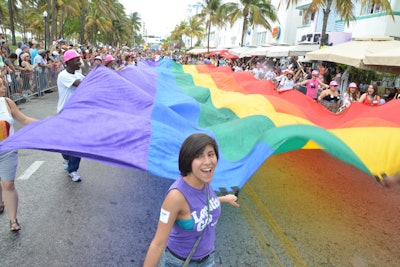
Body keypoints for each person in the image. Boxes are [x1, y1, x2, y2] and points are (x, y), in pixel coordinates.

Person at [144, 133, 240, 267]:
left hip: (207, 260)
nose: (207, 161)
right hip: (179, 262)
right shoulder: (175, 196)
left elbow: (201, 204)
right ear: (188, 160)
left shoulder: (204, 180)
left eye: (211, 154)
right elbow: (158, 244)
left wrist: (224, 198)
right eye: (199, 156)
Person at [0, 77, 37, 231]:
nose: (3, 86)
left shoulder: (7, 102)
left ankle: (13, 220)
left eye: (2, 83)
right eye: (0, 84)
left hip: (7, 150)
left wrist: (46, 124)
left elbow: (24, 119)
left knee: (8, 184)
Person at [57, 49, 85, 182]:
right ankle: (67, 159)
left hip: (78, 114)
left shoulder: (79, 74)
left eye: (79, 59)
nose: (79, 62)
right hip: (64, 113)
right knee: (65, 144)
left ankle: (73, 169)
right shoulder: (63, 75)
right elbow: (81, 85)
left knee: (77, 144)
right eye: (77, 60)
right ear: (68, 62)